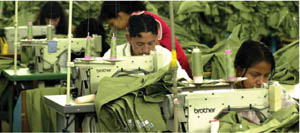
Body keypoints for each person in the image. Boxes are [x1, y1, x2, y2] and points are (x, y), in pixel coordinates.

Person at [99, 1, 192, 78]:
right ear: (128, 39)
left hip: (176, 60)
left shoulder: (163, 54)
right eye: (140, 44)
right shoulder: (112, 54)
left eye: (151, 43)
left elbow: (180, 78)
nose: (146, 49)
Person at [233, 40, 295, 124]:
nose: (261, 82)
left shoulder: (275, 91)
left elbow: (294, 115)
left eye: (266, 76)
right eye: (255, 75)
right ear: (238, 71)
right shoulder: (222, 95)